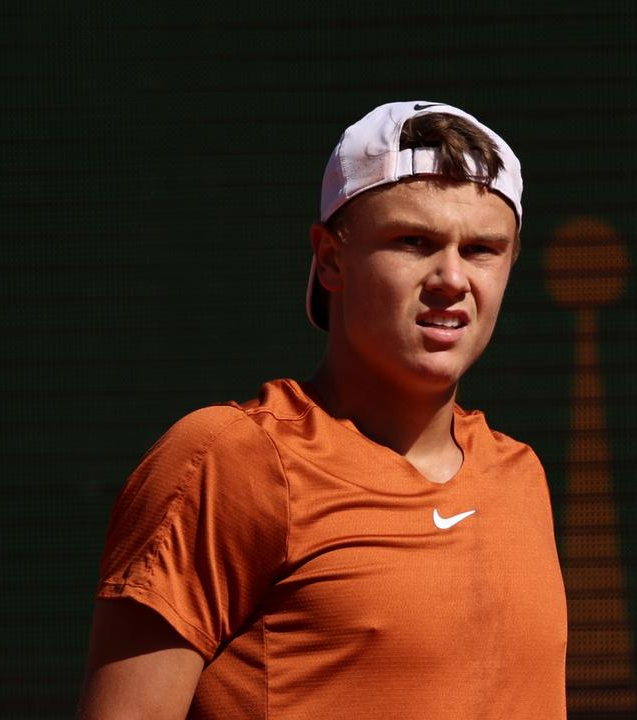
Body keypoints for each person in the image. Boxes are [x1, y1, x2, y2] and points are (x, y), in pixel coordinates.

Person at [77, 101, 567, 719]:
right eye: (413, 242)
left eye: (481, 250)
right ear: (331, 259)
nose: (450, 277)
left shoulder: (521, 476)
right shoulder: (225, 459)